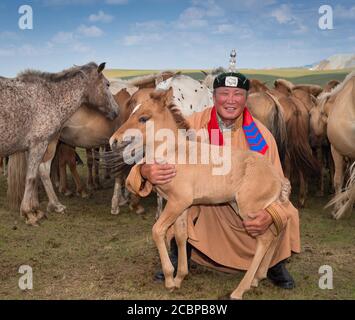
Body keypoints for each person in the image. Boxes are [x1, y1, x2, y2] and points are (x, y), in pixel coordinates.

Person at [125, 72, 301, 289]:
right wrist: (144, 171)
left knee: (284, 213)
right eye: (224, 93)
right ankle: (180, 255)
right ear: (213, 96)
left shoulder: (262, 137)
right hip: (208, 214)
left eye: (237, 94)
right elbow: (155, 153)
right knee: (183, 200)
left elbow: (279, 183)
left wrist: (269, 214)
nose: (230, 100)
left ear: (246, 98)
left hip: (247, 212)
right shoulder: (192, 124)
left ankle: (273, 262)